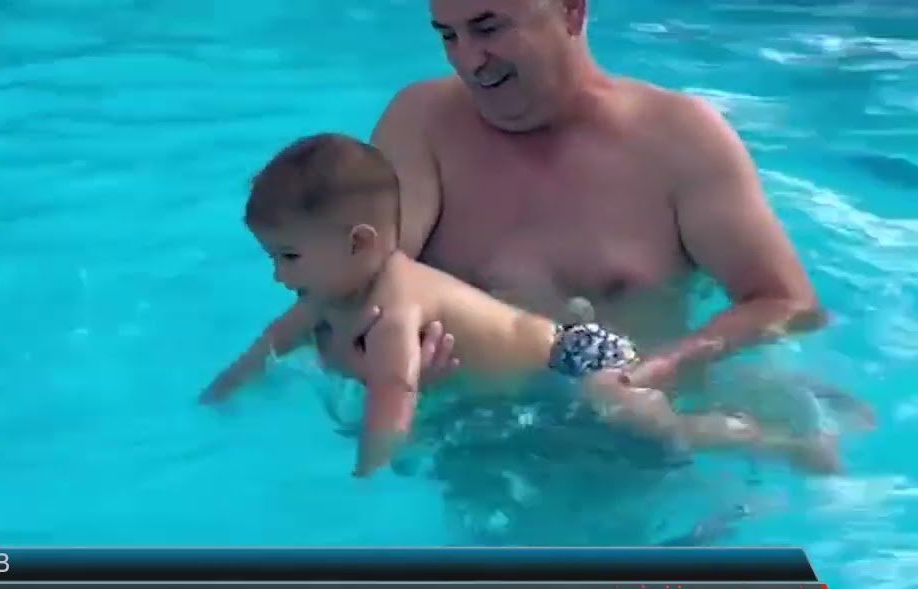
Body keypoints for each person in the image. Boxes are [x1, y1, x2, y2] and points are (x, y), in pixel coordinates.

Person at [237, 0, 827, 395]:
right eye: (448, 35)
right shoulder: (422, 124)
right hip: (468, 444)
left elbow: (787, 303)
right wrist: (348, 362)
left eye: (489, 28)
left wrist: (668, 366)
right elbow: (352, 281)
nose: (468, 60)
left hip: (632, 441)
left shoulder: (679, 140)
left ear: (571, 10)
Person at [202, 132, 838, 478]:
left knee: (649, 424)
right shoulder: (332, 290)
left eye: (288, 257)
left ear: (359, 243)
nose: (279, 275)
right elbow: (273, 341)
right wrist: (222, 392)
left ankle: (778, 442)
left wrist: (366, 477)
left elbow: (392, 405)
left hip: (578, 359)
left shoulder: (395, 308)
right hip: (542, 364)